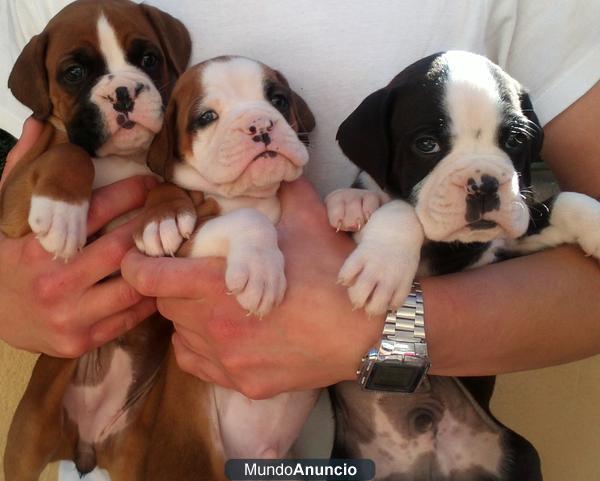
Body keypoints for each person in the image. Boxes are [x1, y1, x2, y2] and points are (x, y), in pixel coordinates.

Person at [0, 0, 599, 476]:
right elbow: (31, 171)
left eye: (278, 103)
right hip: (159, 431)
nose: (260, 122)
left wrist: (378, 334)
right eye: (208, 116)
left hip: (344, 439)